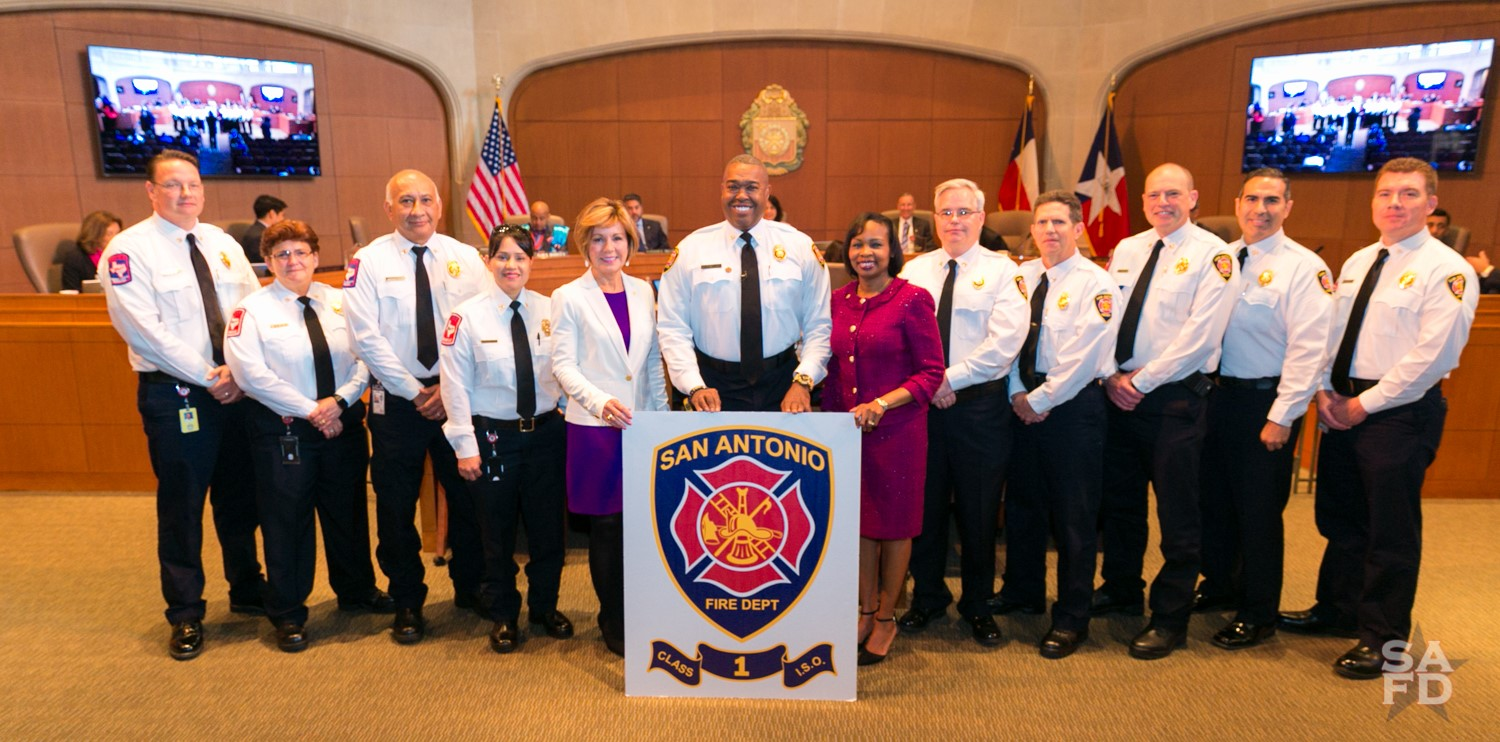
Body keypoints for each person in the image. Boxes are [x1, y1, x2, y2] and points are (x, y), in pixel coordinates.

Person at [1280, 158, 1478, 680]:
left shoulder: (1448, 270)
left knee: (1389, 531)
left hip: (1398, 412)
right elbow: (1330, 333)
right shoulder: (1359, 260)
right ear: (1373, 202)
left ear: (1431, 204)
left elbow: (1432, 358)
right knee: (1341, 518)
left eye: (1409, 194)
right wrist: (1323, 390)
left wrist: (1361, 406)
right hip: (1342, 404)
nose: (1395, 203)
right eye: (1386, 193)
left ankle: (1384, 640)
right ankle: (1338, 610)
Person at [99, 149, 266, 660]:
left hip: (237, 389)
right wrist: (208, 376)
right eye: (172, 185)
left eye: (192, 184)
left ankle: (247, 587)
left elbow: (253, 308)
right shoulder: (128, 252)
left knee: (240, 495)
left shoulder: (221, 243)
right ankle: (186, 612)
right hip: (178, 394)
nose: (184, 194)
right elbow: (143, 331)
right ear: (151, 192)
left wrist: (242, 371)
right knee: (183, 504)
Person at [224, 219, 394, 653]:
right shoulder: (251, 311)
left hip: (342, 421)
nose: (292, 261)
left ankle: (356, 590)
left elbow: (365, 357)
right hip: (284, 431)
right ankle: (287, 612)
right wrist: (312, 411)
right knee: (286, 522)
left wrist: (338, 401)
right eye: (282, 254)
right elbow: (250, 375)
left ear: (316, 258)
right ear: (268, 262)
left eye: (301, 253)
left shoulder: (341, 302)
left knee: (348, 512)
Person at [1096, 162, 1237, 660]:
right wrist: (1111, 373)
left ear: (1193, 197)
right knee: (1120, 502)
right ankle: (1120, 587)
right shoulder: (1129, 249)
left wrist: (1140, 380)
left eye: (1173, 194)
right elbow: (1107, 317)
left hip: (1174, 398)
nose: (1163, 203)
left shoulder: (1214, 256)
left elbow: (1201, 336)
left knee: (1178, 513)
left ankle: (1170, 616)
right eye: (1155, 195)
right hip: (1119, 392)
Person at [343, 169, 490, 644]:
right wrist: (414, 391)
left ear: (440, 205)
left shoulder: (466, 258)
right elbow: (365, 337)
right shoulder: (365, 262)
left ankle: (471, 587)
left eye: (426, 200)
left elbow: (481, 325)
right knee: (394, 506)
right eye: (406, 201)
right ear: (389, 209)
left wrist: (448, 389)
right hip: (397, 401)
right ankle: (407, 600)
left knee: (469, 498)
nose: (417, 210)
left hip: (457, 395)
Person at [1195, 169, 1332, 651]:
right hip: (1216, 397)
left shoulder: (1304, 268)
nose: (1260, 209)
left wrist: (1283, 415)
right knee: (1214, 502)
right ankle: (1220, 585)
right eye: (1252, 199)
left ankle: (1258, 612)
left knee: (1257, 512)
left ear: (1288, 206)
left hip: (1264, 402)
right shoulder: (1224, 259)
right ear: (1237, 204)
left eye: (1272, 200)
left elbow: (1309, 348)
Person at [895, 178, 1027, 647]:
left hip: (979, 410)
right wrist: (929, 385)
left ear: (981, 217)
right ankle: (927, 598)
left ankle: (977, 603)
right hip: (922, 411)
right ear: (935, 218)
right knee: (925, 509)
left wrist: (949, 380)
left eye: (964, 212)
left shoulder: (1003, 270)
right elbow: (899, 336)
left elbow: (1005, 343)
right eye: (946, 213)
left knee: (978, 510)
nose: (954, 221)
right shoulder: (914, 270)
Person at [997, 191, 1119, 659]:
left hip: (1072, 409)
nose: (1050, 231)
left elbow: (1085, 357)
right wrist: (1016, 394)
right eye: (1042, 222)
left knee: (1074, 516)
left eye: (1059, 223)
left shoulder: (1097, 283)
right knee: (1025, 506)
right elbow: (1006, 341)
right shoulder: (1022, 278)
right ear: (1032, 229)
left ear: (1078, 227)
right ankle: (1023, 592)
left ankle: (1072, 616)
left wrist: (1041, 399)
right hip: (1023, 399)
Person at [440, 224, 572, 655]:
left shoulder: (552, 310)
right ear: (488, 261)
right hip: (493, 436)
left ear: (532, 262)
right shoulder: (465, 317)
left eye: (520, 257)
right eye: (502, 256)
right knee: (495, 534)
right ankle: (504, 616)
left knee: (548, 529)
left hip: (547, 434)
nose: (511, 265)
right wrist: (465, 446)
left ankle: (544, 608)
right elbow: (454, 386)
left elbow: (569, 372)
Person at [821, 212, 944, 665]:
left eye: (875, 244)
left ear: (893, 250)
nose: (865, 253)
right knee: (857, 523)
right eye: (857, 244)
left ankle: (888, 617)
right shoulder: (836, 301)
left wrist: (883, 403)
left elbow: (931, 372)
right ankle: (864, 609)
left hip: (897, 433)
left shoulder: (912, 299)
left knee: (893, 527)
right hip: (846, 434)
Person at [550, 198, 670, 657]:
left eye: (617, 237)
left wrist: (663, 419)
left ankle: (640, 605)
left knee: (641, 524)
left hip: (642, 427)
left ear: (630, 242)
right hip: (594, 428)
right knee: (606, 526)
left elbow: (652, 365)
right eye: (598, 238)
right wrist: (602, 403)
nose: (608, 247)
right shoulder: (569, 296)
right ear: (585, 244)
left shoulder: (643, 291)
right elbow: (563, 366)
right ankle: (612, 616)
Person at [657, 155, 831, 413]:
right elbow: (673, 328)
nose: (741, 195)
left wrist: (804, 381)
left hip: (784, 385)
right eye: (733, 186)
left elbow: (819, 325)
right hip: (711, 388)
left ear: (767, 192)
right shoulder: (691, 250)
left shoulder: (800, 247)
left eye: (751, 187)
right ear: (721, 190)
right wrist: (694, 386)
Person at [62, 210, 123, 291]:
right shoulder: (75, 258)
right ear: (95, 235)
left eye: (118, 233)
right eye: (109, 234)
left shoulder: (122, 254)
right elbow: (72, 293)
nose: (116, 238)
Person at [239, 194, 287, 264]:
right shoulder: (258, 237)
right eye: (282, 215)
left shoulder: (258, 232)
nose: (283, 219)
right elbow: (266, 264)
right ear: (272, 214)